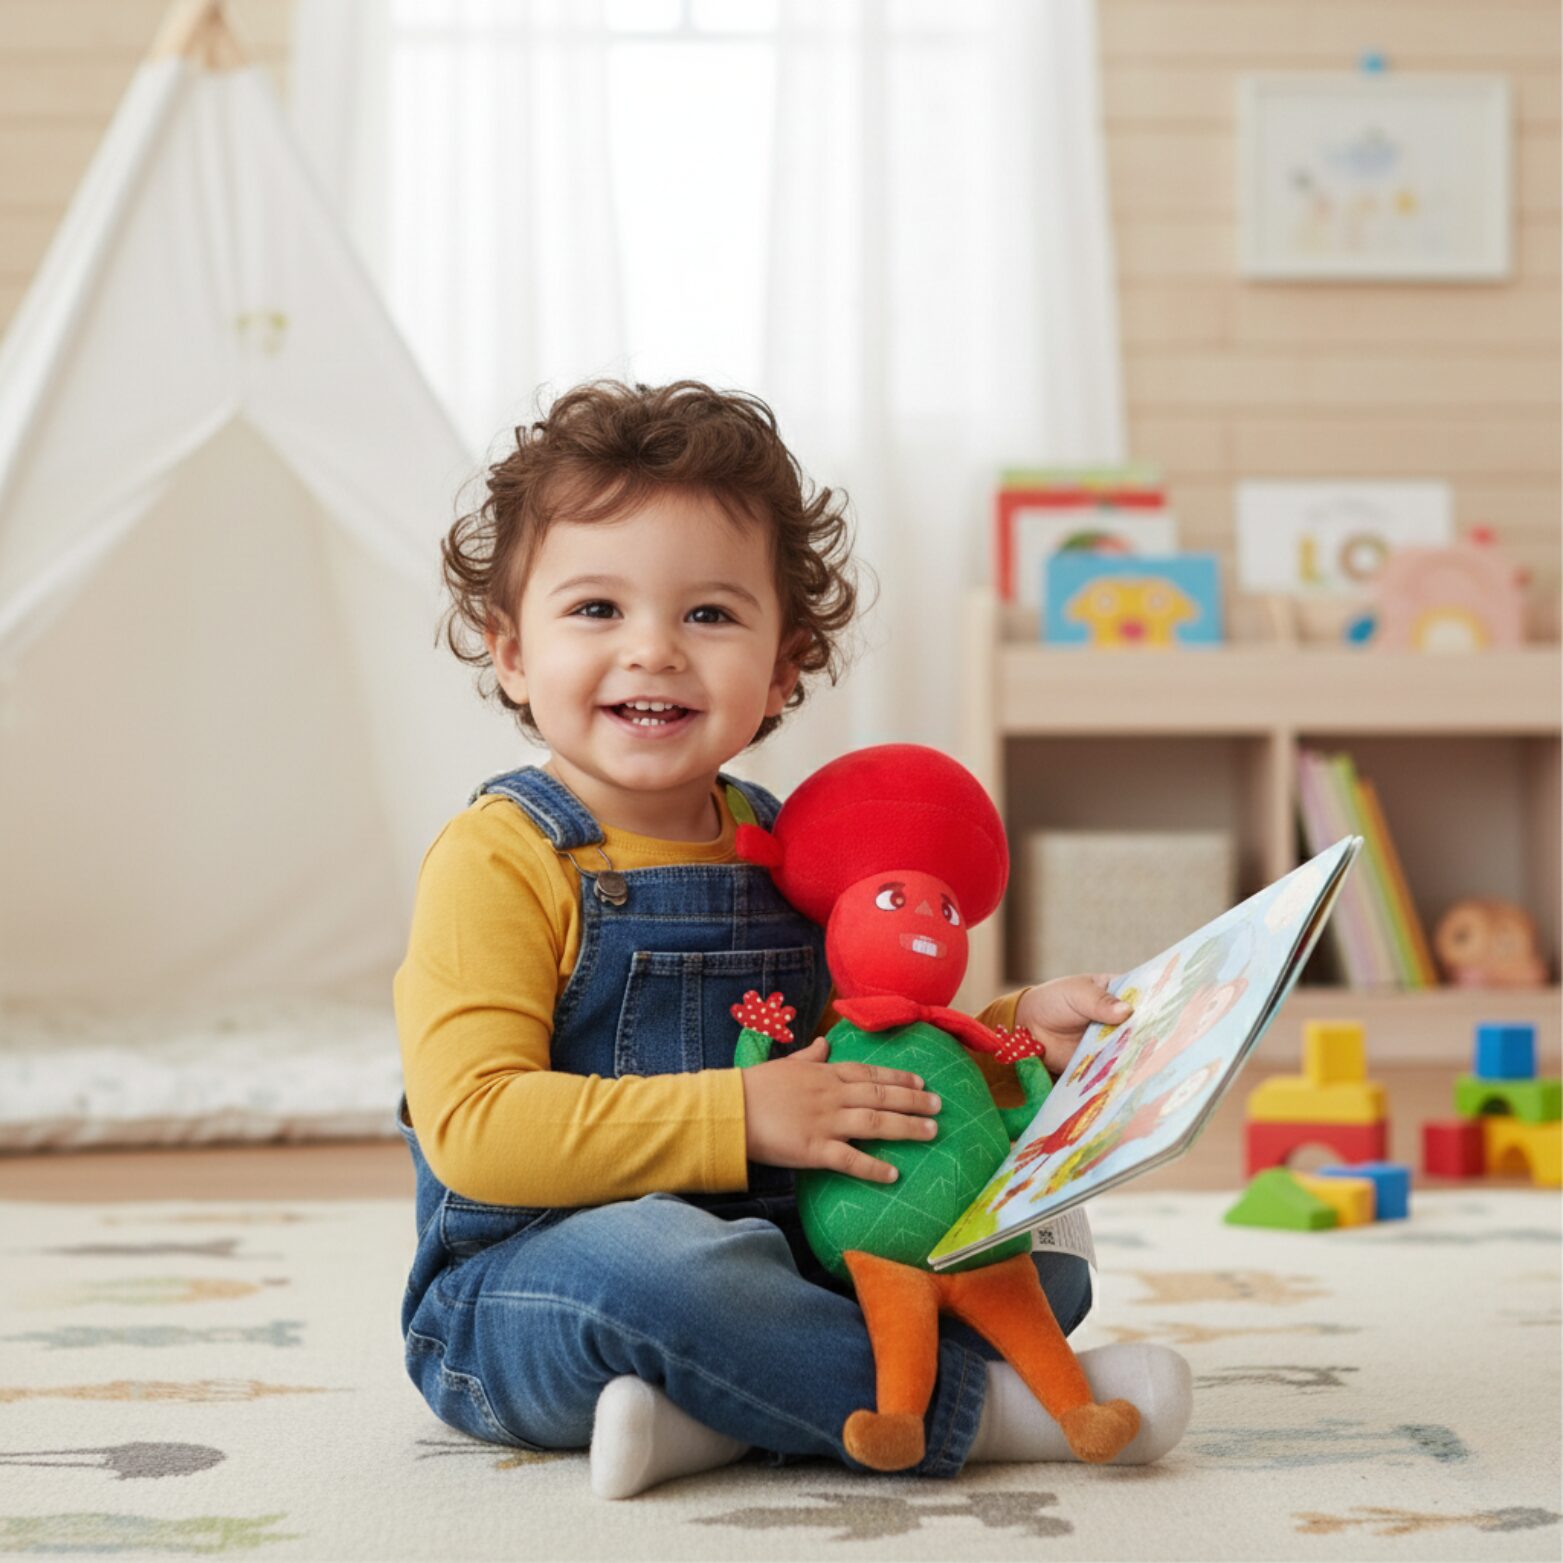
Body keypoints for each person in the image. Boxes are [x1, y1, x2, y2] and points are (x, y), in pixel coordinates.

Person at [393, 379, 1192, 1500]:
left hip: (802, 1254)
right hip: (534, 1290)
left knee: (1037, 1247)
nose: (655, 652)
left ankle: (712, 1414)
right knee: (660, 1271)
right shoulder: (501, 857)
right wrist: (746, 1113)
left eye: (709, 614)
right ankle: (1000, 1407)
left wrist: (1018, 1031)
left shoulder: (796, 846)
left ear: (781, 665)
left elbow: (870, 1036)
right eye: (595, 610)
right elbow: (476, 1130)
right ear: (511, 650)